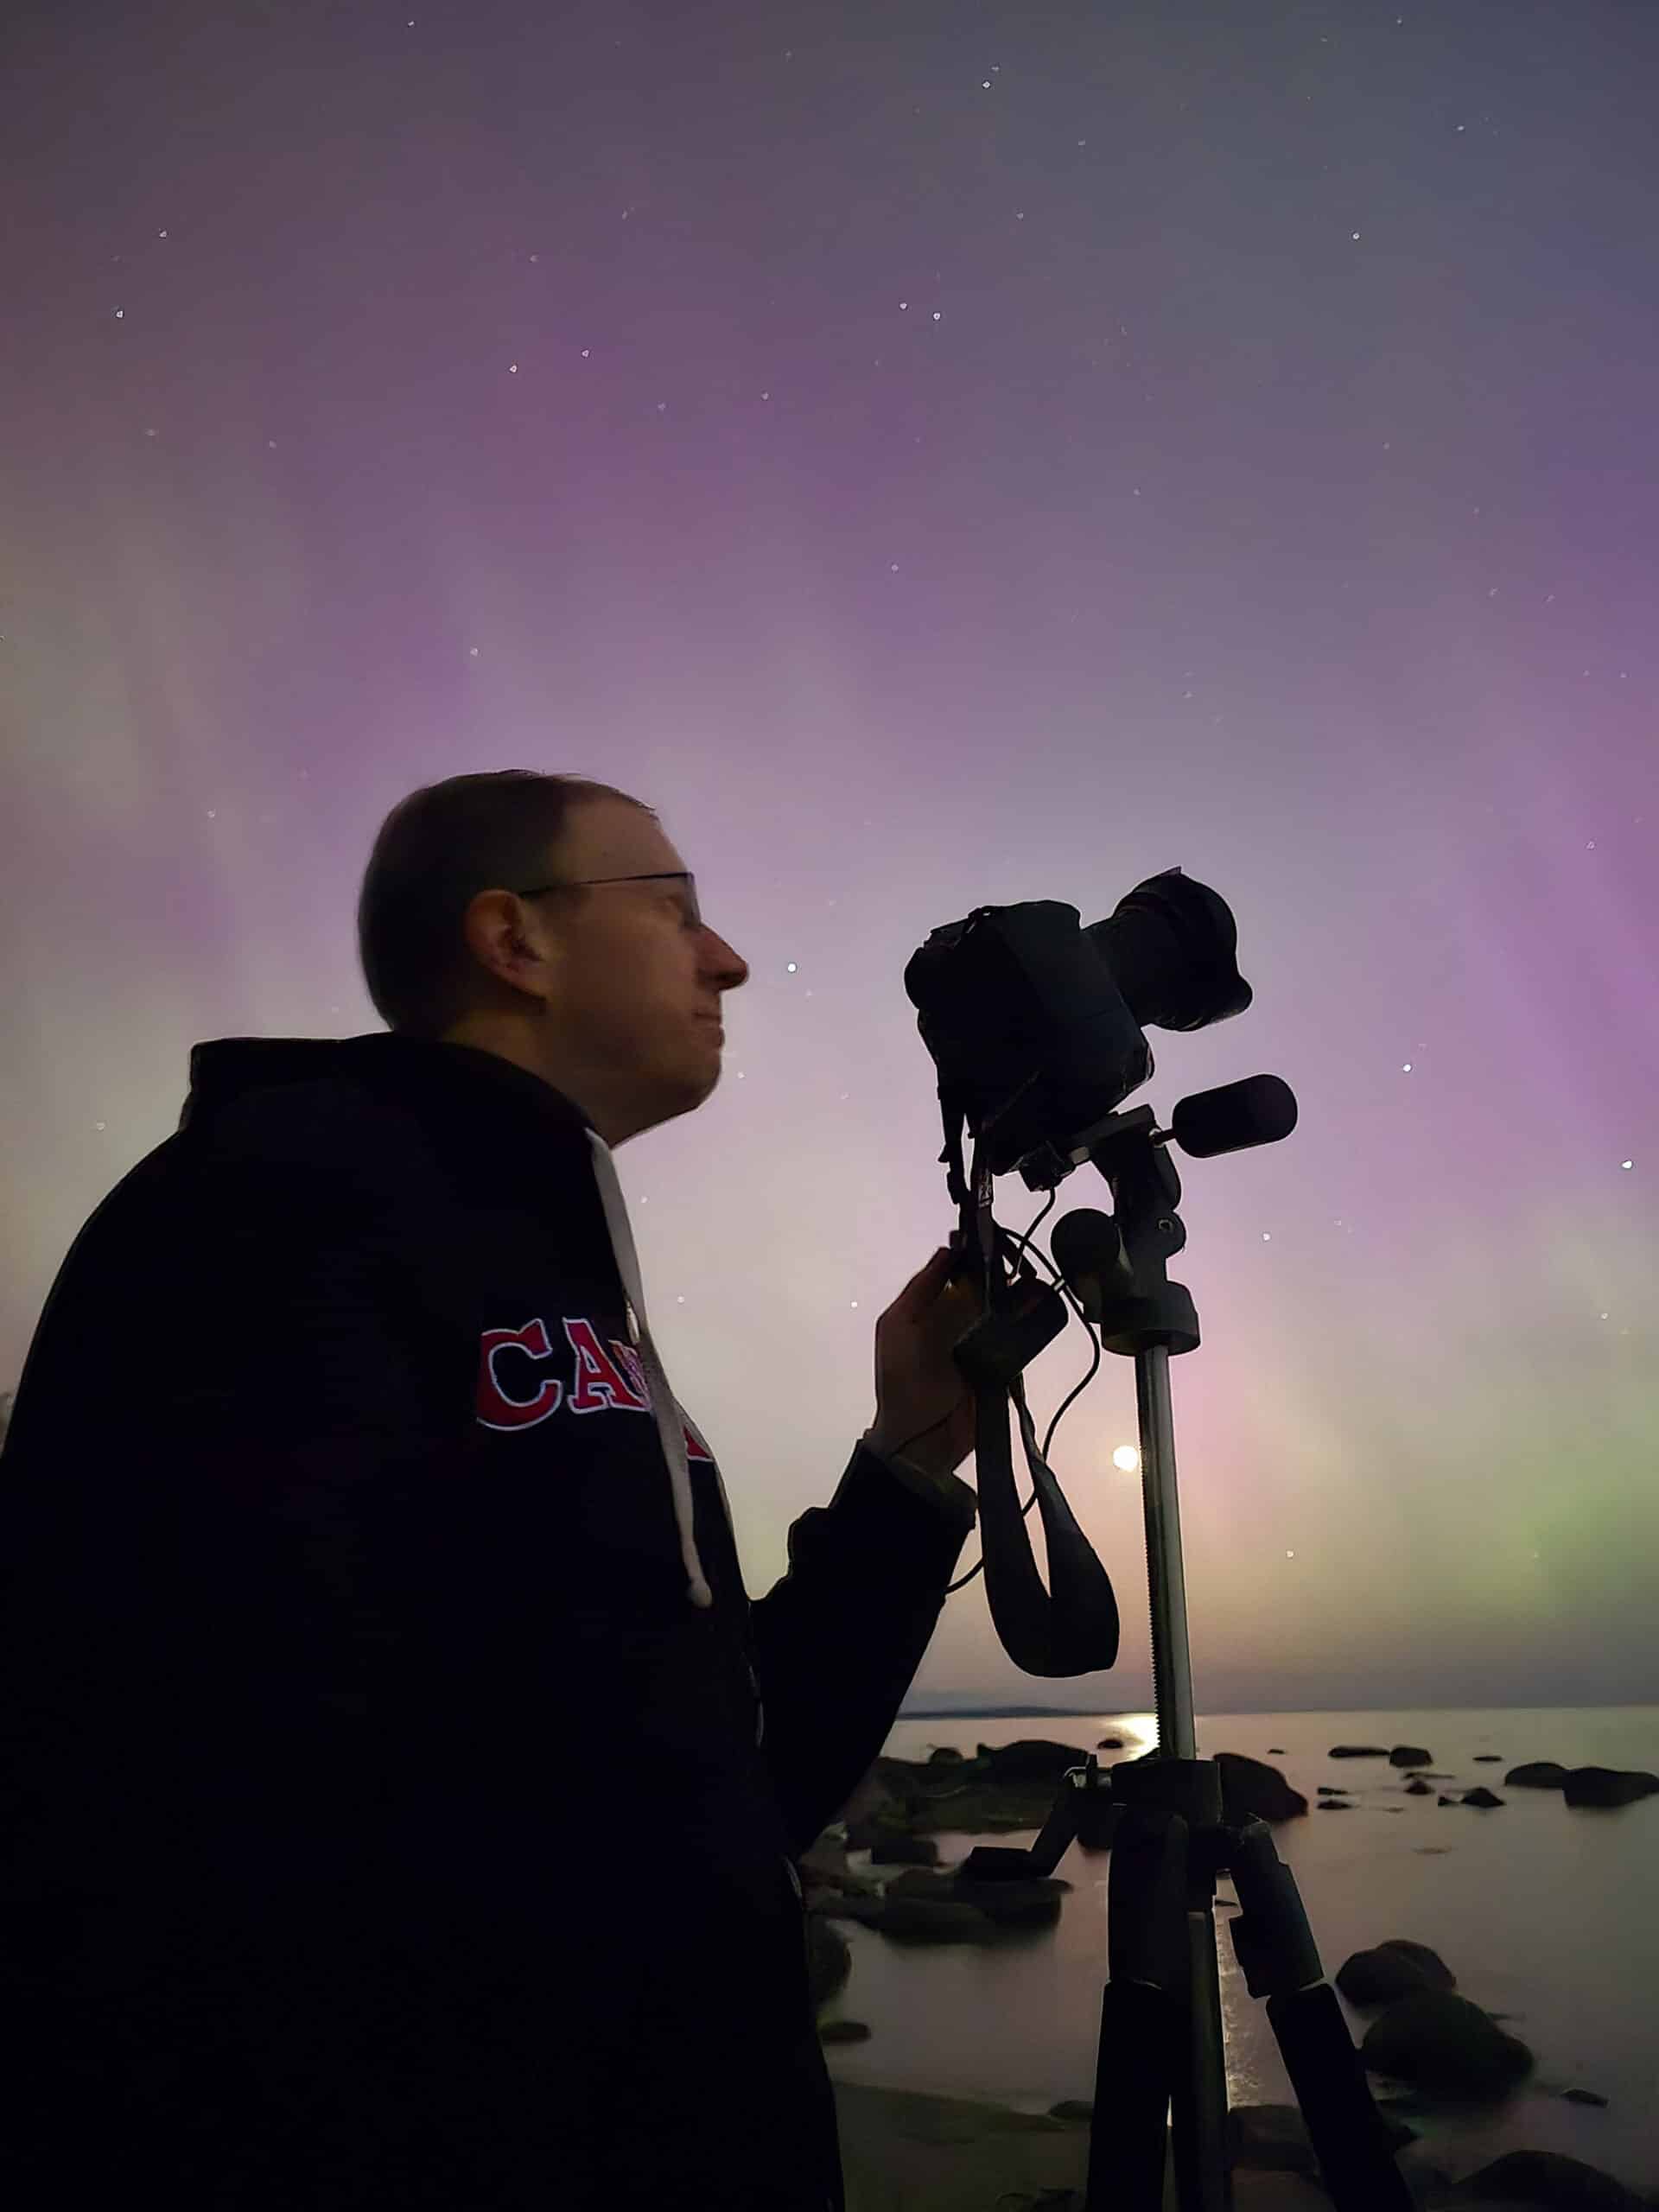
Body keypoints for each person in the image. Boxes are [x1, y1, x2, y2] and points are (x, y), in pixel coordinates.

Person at [0, 770, 983, 2209]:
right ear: (513, 941)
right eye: (678, 909)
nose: (728, 959)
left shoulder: (553, 1279)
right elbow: (173, 1792)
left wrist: (904, 1463)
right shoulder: (266, 1211)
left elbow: (722, 1787)